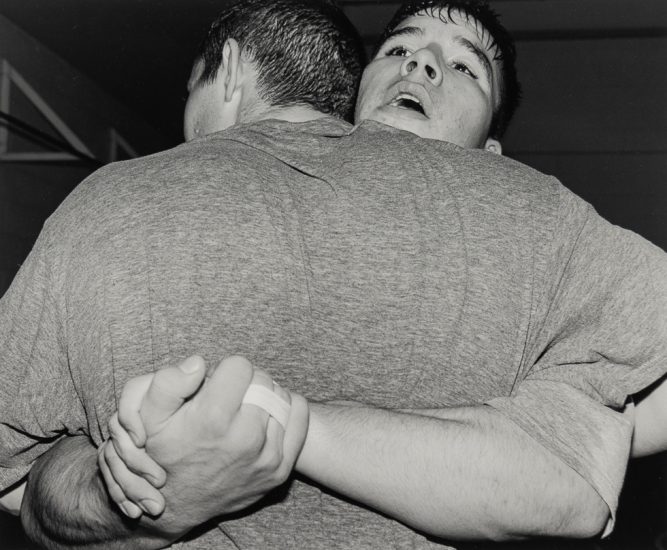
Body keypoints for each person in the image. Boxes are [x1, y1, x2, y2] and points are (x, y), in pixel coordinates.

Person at [1, 0, 666, 548]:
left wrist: (279, 428)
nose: (422, 63)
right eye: (397, 49)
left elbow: (30, 484)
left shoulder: (533, 217)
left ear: (492, 152)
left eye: (464, 68)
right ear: (350, 103)